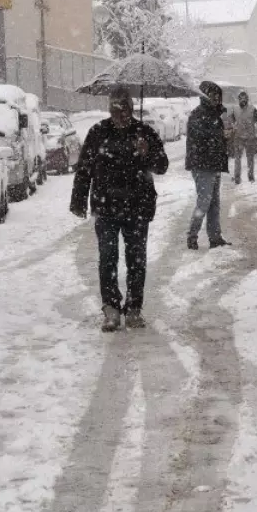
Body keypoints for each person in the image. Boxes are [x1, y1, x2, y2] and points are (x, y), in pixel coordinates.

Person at [71, 88, 169, 332]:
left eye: (124, 111)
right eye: (115, 111)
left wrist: (148, 153)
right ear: (110, 110)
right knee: (108, 258)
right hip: (106, 207)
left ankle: (134, 308)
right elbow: (84, 168)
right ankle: (111, 308)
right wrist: (79, 200)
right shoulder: (98, 132)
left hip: (137, 206)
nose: (120, 116)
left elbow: (162, 166)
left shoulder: (144, 133)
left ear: (131, 109)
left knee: (137, 260)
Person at [186, 81, 232, 250]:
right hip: (202, 164)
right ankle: (192, 235)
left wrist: (225, 135)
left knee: (214, 203)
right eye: (212, 95)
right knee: (204, 202)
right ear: (205, 97)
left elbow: (215, 137)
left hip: (214, 164)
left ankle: (215, 237)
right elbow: (201, 138)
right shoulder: (198, 115)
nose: (216, 98)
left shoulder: (215, 114)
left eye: (218, 96)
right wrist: (220, 134)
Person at [231, 91, 257, 184]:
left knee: (250, 159)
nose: (243, 100)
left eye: (245, 98)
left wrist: (256, 140)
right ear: (238, 99)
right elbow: (231, 121)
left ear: (247, 99)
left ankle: (251, 177)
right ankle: (237, 178)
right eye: (241, 98)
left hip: (250, 138)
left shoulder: (253, 109)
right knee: (237, 159)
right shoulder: (234, 109)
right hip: (238, 137)